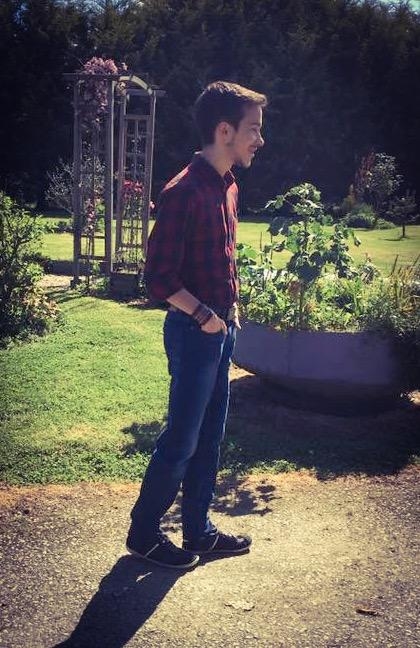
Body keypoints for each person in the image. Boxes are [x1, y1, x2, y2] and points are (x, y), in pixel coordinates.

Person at [126, 80, 267, 569]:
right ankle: (144, 534)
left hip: (220, 331)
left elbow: (223, 259)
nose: (260, 139)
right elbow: (158, 278)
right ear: (225, 130)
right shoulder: (183, 191)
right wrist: (206, 316)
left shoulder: (228, 185)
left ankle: (198, 532)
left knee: (210, 437)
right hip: (193, 333)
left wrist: (231, 310)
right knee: (182, 440)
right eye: (253, 129)